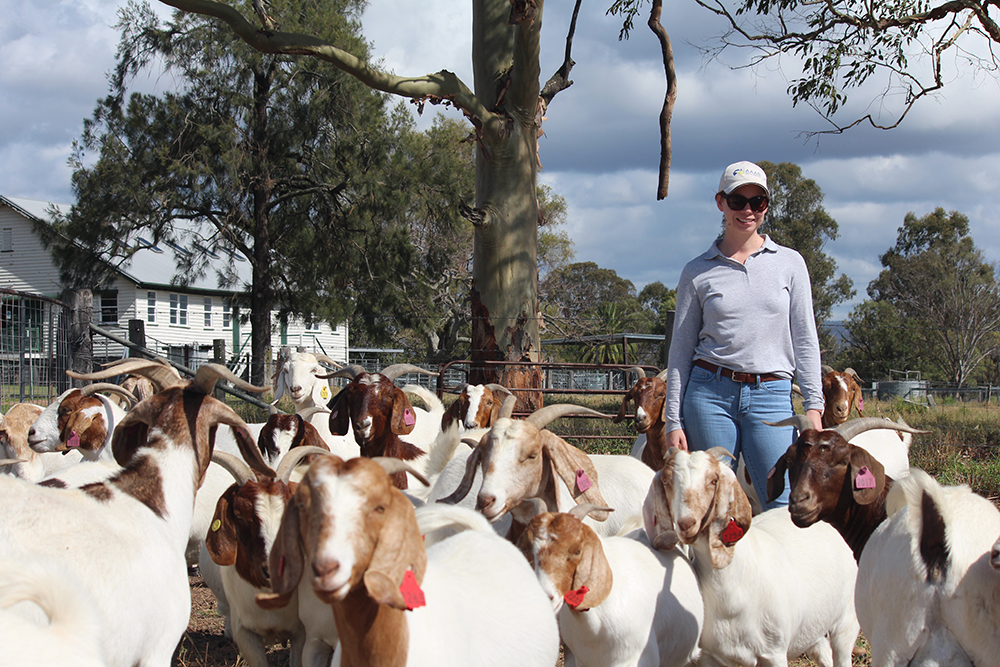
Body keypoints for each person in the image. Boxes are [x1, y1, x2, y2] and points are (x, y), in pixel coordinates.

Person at [664, 160, 824, 509]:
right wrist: (672, 420)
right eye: (738, 201)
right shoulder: (697, 271)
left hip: (772, 397)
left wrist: (814, 404)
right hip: (709, 396)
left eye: (757, 202)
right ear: (721, 202)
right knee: (713, 503)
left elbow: (805, 339)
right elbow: (680, 352)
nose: (747, 210)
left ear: (766, 207)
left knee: (783, 501)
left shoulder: (790, 263)